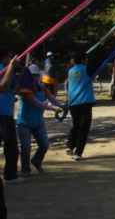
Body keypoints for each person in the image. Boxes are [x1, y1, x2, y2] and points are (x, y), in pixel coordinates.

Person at [17, 65, 66, 175]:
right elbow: (37, 103)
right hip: (25, 122)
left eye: (35, 76)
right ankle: (25, 170)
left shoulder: (42, 87)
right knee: (25, 147)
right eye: (32, 76)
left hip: (38, 122)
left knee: (44, 145)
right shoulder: (25, 90)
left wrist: (61, 105)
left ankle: (36, 161)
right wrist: (53, 108)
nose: (34, 78)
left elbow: (51, 97)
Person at [66, 51, 96, 161]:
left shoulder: (71, 71)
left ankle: (70, 145)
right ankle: (78, 152)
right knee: (84, 128)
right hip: (84, 102)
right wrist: (102, 46)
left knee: (76, 125)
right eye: (86, 59)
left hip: (73, 102)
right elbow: (98, 61)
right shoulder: (85, 69)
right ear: (83, 60)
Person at [0, 50, 22, 184]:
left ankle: (10, 175)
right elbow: (3, 87)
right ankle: (10, 176)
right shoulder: (5, 71)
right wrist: (11, 67)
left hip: (6, 112)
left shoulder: (8, 71)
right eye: (9, 56)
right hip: (3, 113)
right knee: (11, 146)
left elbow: (16, 88)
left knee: (11, 146)